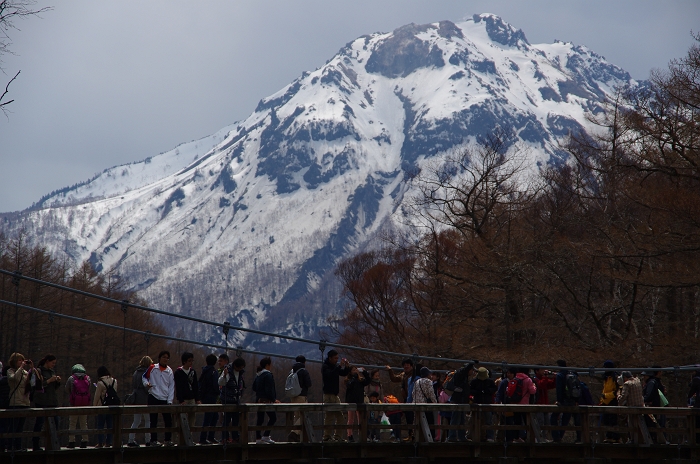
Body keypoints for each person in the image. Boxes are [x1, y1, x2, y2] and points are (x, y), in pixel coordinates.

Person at [143, 350, 175, 447]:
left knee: (168, 420)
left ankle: (167, 440)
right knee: (153, 420)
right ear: (159, 358)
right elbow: (144, 377)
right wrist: (146, 384)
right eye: (164, 357)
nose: (165, 359)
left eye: (167, 357)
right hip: (153, 395)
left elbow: (171, 386)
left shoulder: (169, 371)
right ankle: (153, 440)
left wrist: (170, 400)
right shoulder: (152, 368)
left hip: (165, 398)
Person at [32, 354, 62, 451]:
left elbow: (54, 388)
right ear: (47, 361)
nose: (53, 365)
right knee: (40, 422)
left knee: (56, 422)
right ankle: (36, 444)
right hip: (41, 400)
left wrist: (57, 381)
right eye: (52, 363)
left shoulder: (52, 371)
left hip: (52, 400)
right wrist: (49, 381)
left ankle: (52, 444)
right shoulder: (39, 371)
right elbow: (38, 386)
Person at [386, 359, 418, 442]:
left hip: (414, 398)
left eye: (408, 365)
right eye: (404, 365)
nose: (406, 366)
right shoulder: (403, 375)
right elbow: (394, 379)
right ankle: (410, 435)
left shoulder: (415, 375)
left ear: (411, 366)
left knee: (414, 418)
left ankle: (415, 435)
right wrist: (390, 370)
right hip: (406, 398)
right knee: (408, 418)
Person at [322, 350, 350, 442]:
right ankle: (327, 437)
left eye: (337, 358)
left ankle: (338, 436)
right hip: (328, 395)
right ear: (330, 358)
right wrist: (339, 366)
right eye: (335, 358)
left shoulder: (334, 367)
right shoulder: (325, 367)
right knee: (329, 417)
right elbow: (330, 374)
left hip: (335, 395)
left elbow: (342, 373)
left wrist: (347, 367)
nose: (336, 360)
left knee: (340, 417)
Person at [550, 360, 581, 443]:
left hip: (563, 401)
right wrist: (576, 400)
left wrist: (559, 401)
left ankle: (556, 437)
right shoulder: (572, 374)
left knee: (553, 417)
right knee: (565, 420)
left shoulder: (560, 375)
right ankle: (560, 436)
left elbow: (559, 390)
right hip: (572, 401)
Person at [6, 353, 32, 452]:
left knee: (20, 427)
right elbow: (15, 378)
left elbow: (32, 383)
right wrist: (21, 368)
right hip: (15, 402)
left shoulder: (25, 372)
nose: (21, 362)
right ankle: (9, 446)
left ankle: (18, 446)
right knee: (13, 426)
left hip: (24, 401)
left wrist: (32, 370)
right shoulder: (10, 371)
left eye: (22, 360)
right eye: (19, 361)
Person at [503, 368, 536, 443]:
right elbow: (532, 391)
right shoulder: (528, 380)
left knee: (516, 421)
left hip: (515, 403)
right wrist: (534, 387)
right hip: (525, 404)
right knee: (527, 421)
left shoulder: (515, 378)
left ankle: (516, 437)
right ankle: (529, 437)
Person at [218, 357, 245, 443]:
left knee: (236, 420)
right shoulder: (227, 370)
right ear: (235, 366)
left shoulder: (240, 373)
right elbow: (220, 382)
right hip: (227, 398)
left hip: (236, 399)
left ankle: (235, 437)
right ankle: (225, 438)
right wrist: (225, 375)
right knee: (227, 419)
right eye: (239, 368)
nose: (240, 369)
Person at [252, 357, 279, 444]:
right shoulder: (268, 375)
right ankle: (266, 436)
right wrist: (273, 399)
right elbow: (269, 390)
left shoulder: (258, 375)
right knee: (273, 418)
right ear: (267, 365)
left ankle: (258, 438)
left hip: (258, 399)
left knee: (260, 419)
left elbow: (254, 387)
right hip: (266, 400)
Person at [174, 351, 201, 440]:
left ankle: (190, 438)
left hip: (192, 398)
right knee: (181, 420)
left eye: (192, 361)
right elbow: (178, 387)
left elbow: (195, 386)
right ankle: (180, 439)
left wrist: (197, 399)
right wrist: (181, 400)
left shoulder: (193, 372)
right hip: (183, 399)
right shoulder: (178, 372)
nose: (191, 363)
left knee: (192, 420)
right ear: (184, 361)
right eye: (189, 361)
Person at [127, 356, 152, 447]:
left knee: (136, 421)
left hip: (136, 398)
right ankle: (148, 440)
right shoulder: (147, 373)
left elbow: (133, 385)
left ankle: (130, 440)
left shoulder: (135, 372)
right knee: (148, 420)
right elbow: (147, 387)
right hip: (145, 399)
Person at [446, 362, 475, 442]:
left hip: (462, 401)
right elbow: (464, 370)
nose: (473, 372)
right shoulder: (460, 374)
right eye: (472, 369)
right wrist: (471, 363)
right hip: (457, 400)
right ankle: (452, 436)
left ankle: (461, 436)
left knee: (462, 419)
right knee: (455, 419)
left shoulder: (464, 377)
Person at [287, 355, 312, 442]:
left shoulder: (292, 371)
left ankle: (298, 436)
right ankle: (294, 433)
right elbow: (309, 383)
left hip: (293, 397)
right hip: (301, 396)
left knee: (296, 416)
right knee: (303, 416)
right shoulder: (304, 371)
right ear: (304, 362)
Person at [66, 364, 90, 449]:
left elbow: (67, 389)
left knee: (72, 423)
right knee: (84, 423)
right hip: (84, 403)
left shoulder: (71, 378)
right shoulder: (87, 378)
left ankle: (71, 441)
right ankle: (84, 441)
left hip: (74, 403)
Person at [470, 367, 497, 442]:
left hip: (487, 402)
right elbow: (470, 390)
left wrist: (487, 391)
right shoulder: (474, 381)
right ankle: (475, 436)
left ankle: (490, 436)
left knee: (488, 420)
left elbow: (494, 389)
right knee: (475, 420)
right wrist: (478, 392)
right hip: (477, 402)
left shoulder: (490, 381)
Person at [345, 365, 371, 442]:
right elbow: (349, 385)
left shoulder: (361, 381)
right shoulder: (348, 380)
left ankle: (362, 435)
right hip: (351, 402)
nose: (355, 372)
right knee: (350, 420)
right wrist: (354, 377)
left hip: (359, 402)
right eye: (353, 370)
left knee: (361, 419)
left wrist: (365, 372)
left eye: (356, 370)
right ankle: (350, 435)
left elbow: (368, 381)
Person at [94, 366, 117, 448]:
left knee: (100, 425)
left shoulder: (100, 383)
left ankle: (100, 442)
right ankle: (109, 442)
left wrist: (94, 406)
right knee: (110, 425)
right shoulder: (114, 381)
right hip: (111, 406)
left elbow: (97, 396)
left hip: (102, 406)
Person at [199, 354, 220, 445]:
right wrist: (219, 392)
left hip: (204, 397)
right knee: (211, 417)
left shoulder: (204, 371)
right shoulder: (213, 372)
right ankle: (205, 438)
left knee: (211, 417)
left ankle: (208, 437)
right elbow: (216, 385)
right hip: (212, 397)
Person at [642, 367, 667, 443]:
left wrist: (643, 399)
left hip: (651, 407)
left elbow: (649, 396)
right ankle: (655, 439)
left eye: (645, 376)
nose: (643, 377)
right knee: (655, 424)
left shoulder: (651, 383)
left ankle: (653, 440)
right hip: (655, 406)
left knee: (651, 424)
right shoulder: (655, 382)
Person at [412, 367, 437, 440]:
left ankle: (417, 437)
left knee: (418, 423)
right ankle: (430, 439)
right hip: (426, 406)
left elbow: (413, 393)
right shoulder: (428, 381)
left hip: (416, 405)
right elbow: (431, 394)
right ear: (427, 374)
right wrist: (435, 403)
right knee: (429, 423)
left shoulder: (417, 381)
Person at [599, 360, 620, 444]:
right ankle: (608, 436)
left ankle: (615, 437)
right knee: (606, 420)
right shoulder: (606, 377)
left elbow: (617, 391)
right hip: (605, 402)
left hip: (613, 401)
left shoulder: (615, 377)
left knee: (613, 420)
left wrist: (606, 396)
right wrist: (602, 400)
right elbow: (604, 390)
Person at [532, 367, 556, 442]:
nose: (543, 371)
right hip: (538, 405)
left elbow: (552, 384)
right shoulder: (535, 379)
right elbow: (540, 385)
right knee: (540, 421)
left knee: (546, 422)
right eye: (542, 370)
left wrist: (555, 377)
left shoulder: (543, 379)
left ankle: (544, 437)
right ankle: (538, 438)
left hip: (545, 404)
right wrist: (545, 376)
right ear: (537, 371)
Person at [687, 368, 700, 443]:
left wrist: (689, 397)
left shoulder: (696, 379)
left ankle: (697, 440)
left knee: (697, 423)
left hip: (698, 406)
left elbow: (691, 392)